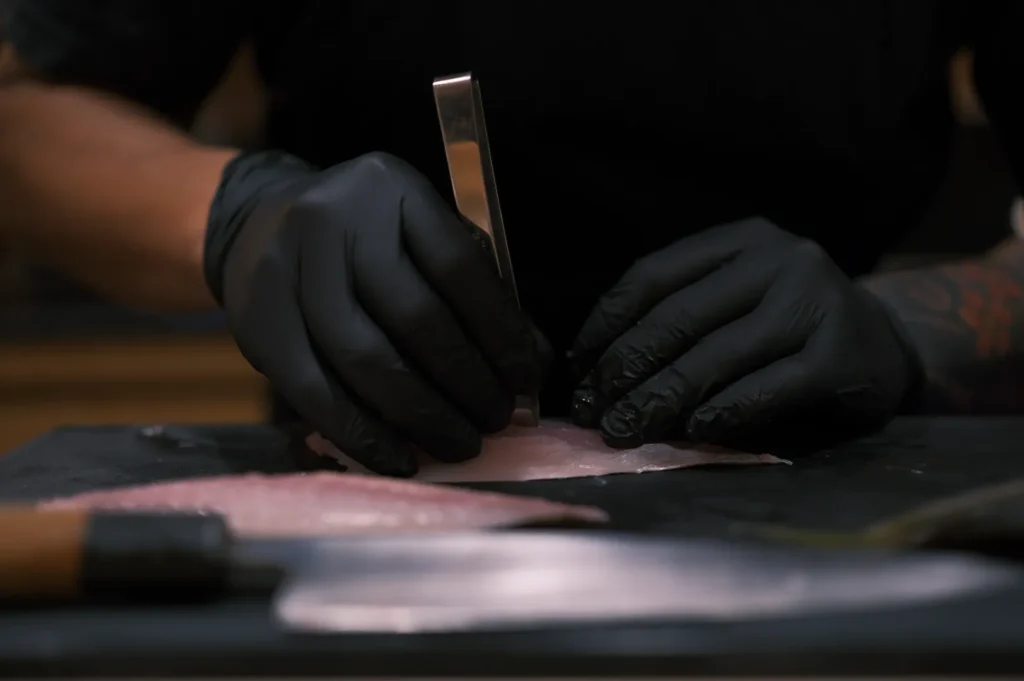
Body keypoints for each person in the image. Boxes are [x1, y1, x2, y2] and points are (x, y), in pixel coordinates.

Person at [1, 1, 1021, 477]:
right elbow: (23, 114)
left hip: (850, 474)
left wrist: (921, 326)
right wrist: (234, 214)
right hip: (386, 472)